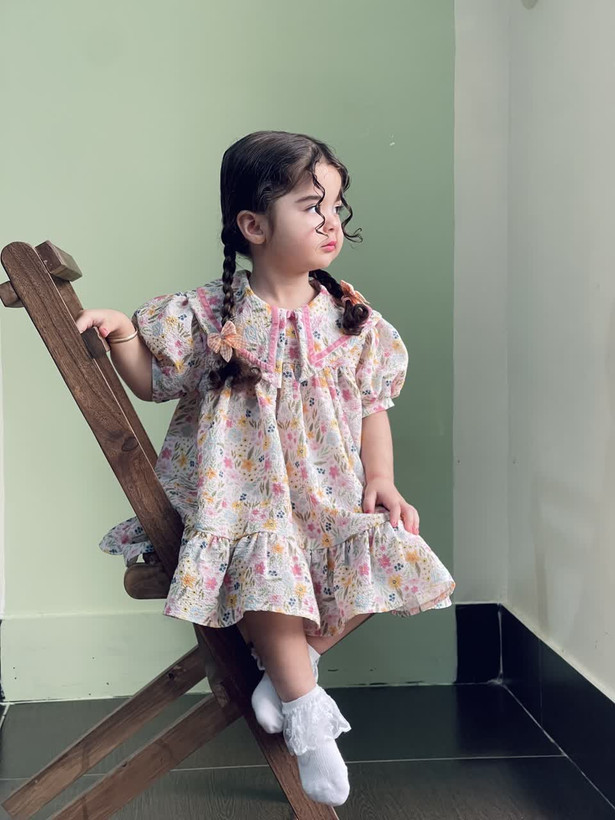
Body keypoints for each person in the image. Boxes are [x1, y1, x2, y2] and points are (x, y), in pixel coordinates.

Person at [74, 130, 456, 807]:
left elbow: (374, 405)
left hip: (325, 495)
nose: (331, 222)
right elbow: (154, 382)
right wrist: (123, 333)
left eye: (335, 206)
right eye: (311, 206)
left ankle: (289, 668)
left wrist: (381, 479)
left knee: (394, 549)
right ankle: (307, 717)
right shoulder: (211, 314)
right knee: (270, 565)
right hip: (240, 501)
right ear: (253, 226)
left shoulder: (349, 318)